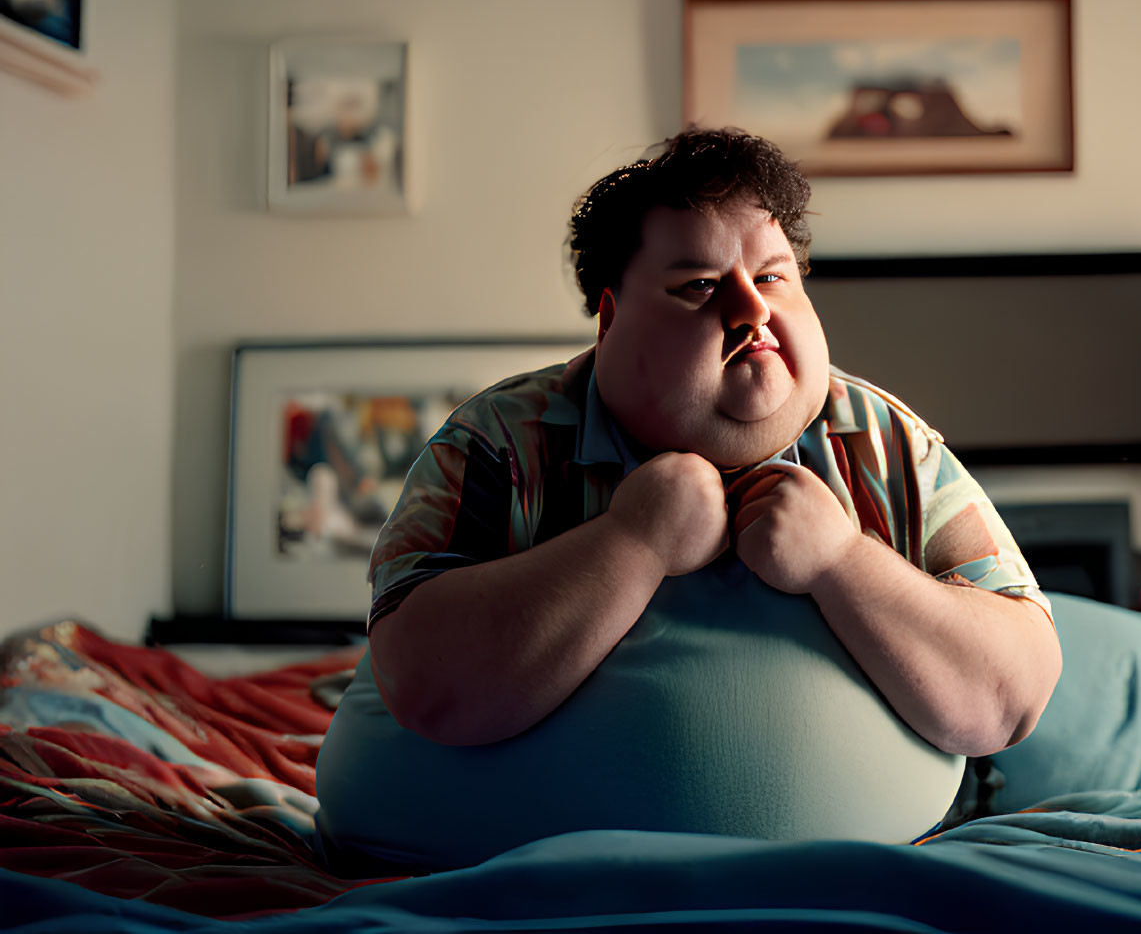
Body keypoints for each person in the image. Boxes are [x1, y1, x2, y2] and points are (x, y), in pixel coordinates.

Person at [315, 127, 1061, 872]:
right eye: (699, 286)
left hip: (857, 888)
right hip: (492, 887)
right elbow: (421, 678)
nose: (750, 311)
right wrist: (632, 541)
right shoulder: (498, 441)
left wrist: (841, 559)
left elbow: (1014, 691)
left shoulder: (888, 443)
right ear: (610, 319)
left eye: (772, 278)